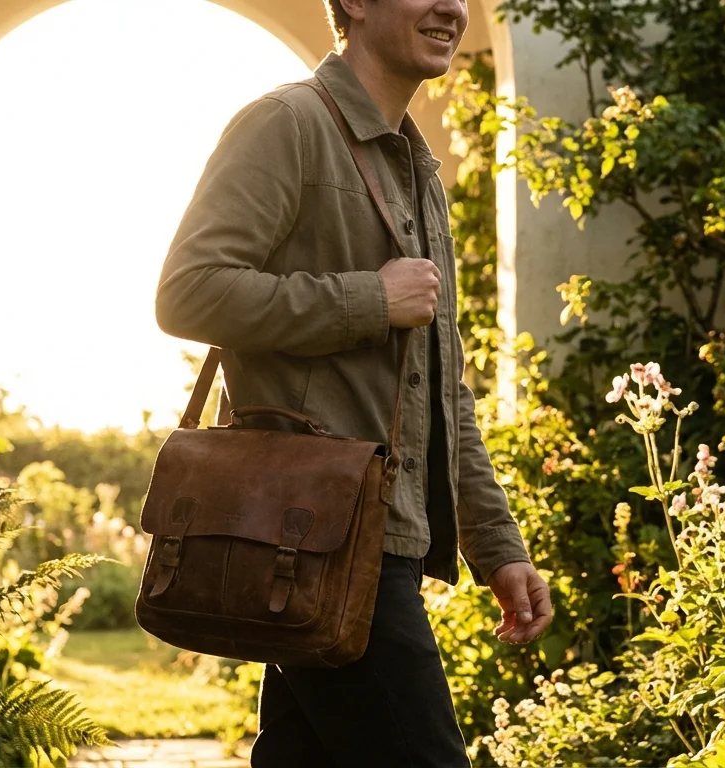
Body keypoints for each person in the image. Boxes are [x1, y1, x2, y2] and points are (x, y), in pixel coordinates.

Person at [154, 0, 553, 764]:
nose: (452, 7)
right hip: (315, 541)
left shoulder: (417, 171)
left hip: (364, 544)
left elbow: (445, 387)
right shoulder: (286, 125)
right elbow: (188, 291)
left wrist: (496, 546)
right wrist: (370, 299)